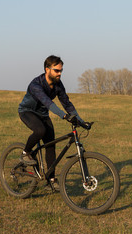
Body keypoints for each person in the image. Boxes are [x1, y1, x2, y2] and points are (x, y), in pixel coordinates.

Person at [18, 55, 88, 191]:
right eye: (57, 70)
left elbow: (66, 103)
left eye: (61, 70)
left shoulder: (58, 85)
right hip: (28, 112)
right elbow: (48, 103)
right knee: (40, 131)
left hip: (43, 115)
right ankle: (25, 153)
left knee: (51, 146)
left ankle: (51, 181)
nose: (60, 73)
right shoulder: (36, 84)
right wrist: (65, 116)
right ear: (47, 69)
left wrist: (80, 120)